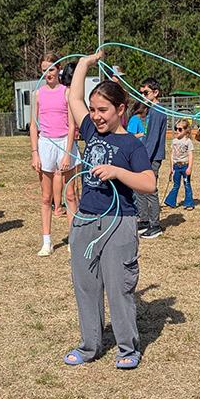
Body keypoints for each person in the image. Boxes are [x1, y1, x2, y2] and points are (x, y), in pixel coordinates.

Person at [62, 51, 155, 370]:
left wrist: (117, 172)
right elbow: (72, 96)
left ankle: (128, 348)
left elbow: (148, 183)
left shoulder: (132, 145)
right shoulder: (89, 129)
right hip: (86, 220)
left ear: (120, 109)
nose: (96, 116)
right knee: (86, 288)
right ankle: (89, 346)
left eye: (103, 110)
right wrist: (85, 64)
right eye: (93, 110)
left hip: (119, 223)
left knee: (119, 288)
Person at [30, 54, 78, 256]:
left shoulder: (67, 93)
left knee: (70, 195)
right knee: (46, 197)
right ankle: (47, 242)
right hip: (45, 144)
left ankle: (74, 240)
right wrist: (35, 153)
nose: (48, 73)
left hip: (64, 144)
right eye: (44, 70)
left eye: (51, 69)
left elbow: (72, 125)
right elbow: (33, 125)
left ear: (58, 69)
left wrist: (67, 153)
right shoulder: (37, 94)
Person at [136, 78, 167, 238]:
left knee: (150, 190)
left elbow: (153, 138)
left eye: (146, 92)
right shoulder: (151, 110)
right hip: (148, 155)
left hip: (152, 157)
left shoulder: (157, 111)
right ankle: (144, 219)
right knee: (139, 188)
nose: (143, 95)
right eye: (142, 92)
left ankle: (155, 225)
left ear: (155, 93)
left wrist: (143, 158)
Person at [163, 118, 194, 210]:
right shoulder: (174, 141)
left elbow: (191, 155)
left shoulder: (188, 142)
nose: (177, 131)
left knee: (187, 184)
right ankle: (170, 201)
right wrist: (171, 167)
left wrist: (189, 168)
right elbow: (172, 155)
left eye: (180, 129)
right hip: (176, 166)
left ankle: (189, 203)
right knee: (176, 185)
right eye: (176, 128)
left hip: (185, 166)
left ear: (186, 130)